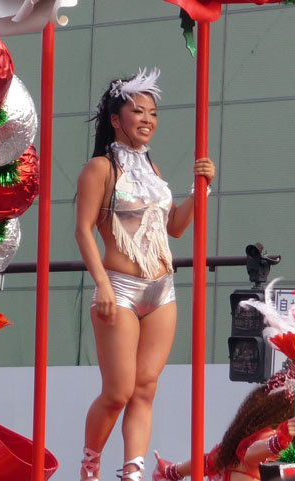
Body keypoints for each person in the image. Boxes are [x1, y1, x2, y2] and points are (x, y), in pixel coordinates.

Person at [74, 67, 215, 481]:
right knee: (118, 391)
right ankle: (90, 465)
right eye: (138, 111)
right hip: (118, 289)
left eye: (153, 113)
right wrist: (101, 283)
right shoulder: (100, 168)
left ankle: (133, 471)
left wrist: (200, 189)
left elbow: (176, 228)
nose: (147, 120)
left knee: (145, 387)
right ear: (116, 120)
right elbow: (83, 229)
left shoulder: (154, 172)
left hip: (162, 290)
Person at [152, 381, 295, 481]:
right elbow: (251, 455)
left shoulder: (228, 453)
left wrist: (171, 471)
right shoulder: (272, 438)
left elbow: (205, 462)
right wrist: (280, 439)